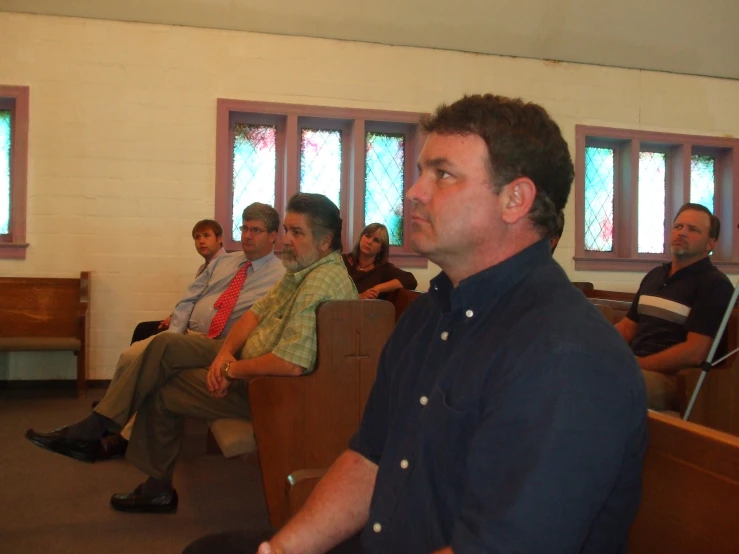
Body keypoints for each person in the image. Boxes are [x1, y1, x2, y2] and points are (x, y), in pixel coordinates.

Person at [186, 95, 648, 554]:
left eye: (442, 174)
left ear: (515, 199)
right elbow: (371, 458)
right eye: (421, 171)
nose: (414, 191)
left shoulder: (564, 356)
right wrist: (284, 550)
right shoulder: (430, 313)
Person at [25, 193, 358, 514]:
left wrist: (231, 371)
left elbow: (292, 364)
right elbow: (255, 313)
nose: (286, 239)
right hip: (243, 360)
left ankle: (146, 481)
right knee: (164, 345)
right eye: (287, 230)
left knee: (166, 387)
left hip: (274, 391)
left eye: (296, 232)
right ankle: (98, 428)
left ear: (326, 241)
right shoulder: (301, 270)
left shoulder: (320, 282)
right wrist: (226, 352)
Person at [96, 203, 286, 460]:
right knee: (131, 355)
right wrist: (174, 335)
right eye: (244, 228)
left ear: (273, 235)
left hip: (221, 344)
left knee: (155, 366)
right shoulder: (224, 262)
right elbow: (188, 299)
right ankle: (110, 422)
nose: (247, 235)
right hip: (187, 336)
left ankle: (119, 434)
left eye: (256, 230)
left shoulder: (281, 276)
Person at [615, 202, 734, 410]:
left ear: (710, 243)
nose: (682, 233)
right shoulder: (655, 276)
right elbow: (627, 328)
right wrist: (595, 345)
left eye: (693, 229)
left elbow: (694, 351)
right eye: (678, 227)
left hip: (673, 379)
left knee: (612, 385)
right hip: (636, 366)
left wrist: (638, 364)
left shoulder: (714, 285)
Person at [130, 219, 228, 343]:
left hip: (206, 327)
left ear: (219, 239)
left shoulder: (226, 266)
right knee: (143, 330)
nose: (201, 241)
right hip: (191, 320)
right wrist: (174, 317)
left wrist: (177, 320)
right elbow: (193, 299)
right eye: (197, 237)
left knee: (146, 333)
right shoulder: (203, 268)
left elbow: (207, 303)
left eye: (206, 236)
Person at [342, 223, 417, 299]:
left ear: (381, 248)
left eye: (376, 240)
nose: (369, 242)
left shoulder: (383, 268)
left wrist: (377, 288)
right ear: (361, 237)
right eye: (367, 236)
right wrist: (358, 297)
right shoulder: (343, 260)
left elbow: (410, 280)